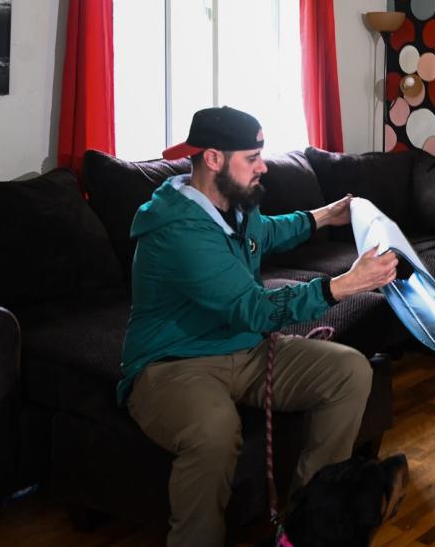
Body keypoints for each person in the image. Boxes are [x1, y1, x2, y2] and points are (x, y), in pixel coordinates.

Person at [117, 106, 403, 546]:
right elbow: (254, 309)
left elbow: (265, 233)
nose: (263, 166)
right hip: (174, 364)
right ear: (213, 159)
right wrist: (344, 285)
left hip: (245, 351)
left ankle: (307, 528)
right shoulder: (177, 231)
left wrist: (325, 214)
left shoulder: (233, 205)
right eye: (251, 157)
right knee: (214, 431)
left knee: (349, 371)